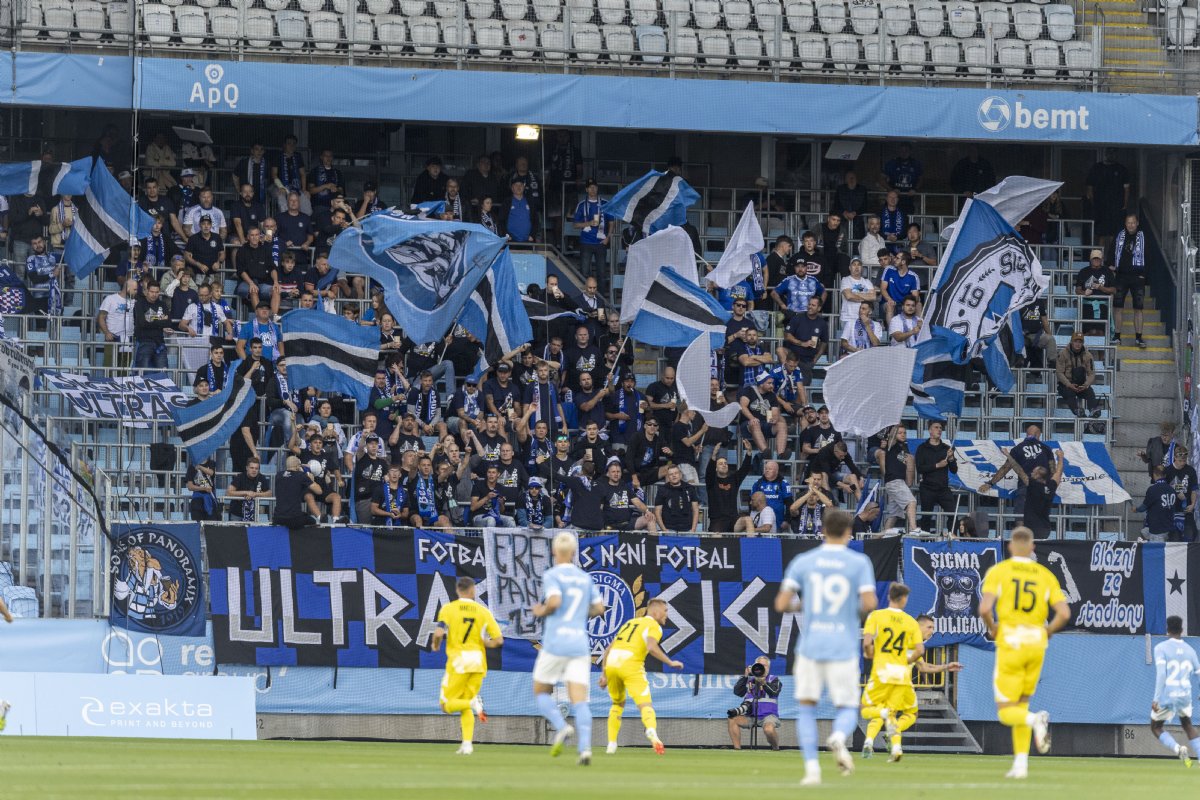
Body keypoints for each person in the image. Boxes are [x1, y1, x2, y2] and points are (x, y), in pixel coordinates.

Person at [775, 509, 878, 786]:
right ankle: (838, 736)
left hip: (810, 646)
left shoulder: (804, 560)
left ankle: (812, 771)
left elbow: (782, 603)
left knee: (806, 708)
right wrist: (848, 609)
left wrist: (805, 606)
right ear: (849, 532)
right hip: (842, 645)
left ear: (822, 530)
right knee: (847, 706)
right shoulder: (859, 562)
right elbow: (870, 603)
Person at [978, 526, 1071, 780]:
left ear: (1010, 546)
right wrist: (1048, 631)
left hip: (1011, 642)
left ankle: (1035, 720)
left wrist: (993, 627)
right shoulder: (1044, 574)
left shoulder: (1000, 571)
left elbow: (984, 609)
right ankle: (1020, 765)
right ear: (1032, 547)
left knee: (1006, 711)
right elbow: (1064, 613)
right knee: (1021, 704)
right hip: (1036, 644)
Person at [531, 532, 605, 765]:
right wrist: (581, 612)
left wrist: (540, 611)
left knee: (541, 691)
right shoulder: (585, 578)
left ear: (554, 551)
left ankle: (561, 726)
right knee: (580, 700)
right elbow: (600, 608)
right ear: (573, 552)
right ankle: (585, 750)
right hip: (579, 644)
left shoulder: (552, 575)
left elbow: (554, 602)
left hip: (555, 642)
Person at [862, 604, 963, 760]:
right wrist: (946, 667)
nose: (932, 631)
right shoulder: (912, 642)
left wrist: (945, 666)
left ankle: (869, 741)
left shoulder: (902, 637)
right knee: (909, 713)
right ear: (918, 626)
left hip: (882, 678)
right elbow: (922, 666)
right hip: (901, 683)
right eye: (929, 627)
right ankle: (894, 737)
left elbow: (923, 666)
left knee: (881, 711)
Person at [599, 597, 683, 755]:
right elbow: (651, 647)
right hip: (631, 665)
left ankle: (611, 744)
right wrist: (670, 662)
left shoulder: (630, 623)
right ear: (656, 612)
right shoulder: (654, 626)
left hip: (612, 664)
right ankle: (651, 730)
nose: (666, 615)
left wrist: (604, 674)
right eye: (665, 611)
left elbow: (609, 648)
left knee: (617, 704)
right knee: (645, 706)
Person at [431, 576, 504, 756]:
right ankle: (467, 744)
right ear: (473, 590)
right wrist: (485, 643)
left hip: (459, 661)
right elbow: (498, 640)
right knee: (464, 704)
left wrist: (435, 644)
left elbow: (439, 632)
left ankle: (472, 703)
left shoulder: (449, 609)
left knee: (446, 705)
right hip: (478, 661)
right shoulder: (483, 611)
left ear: (458, 590)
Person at [860, 583, 924, 762]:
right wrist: (907, 661)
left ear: (889, 596)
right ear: (904, 599)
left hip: (882, 672)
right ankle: (896, 748)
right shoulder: (911, 622)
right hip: (902, 675)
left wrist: (869, 653)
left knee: (866, 709)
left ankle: (872, 736)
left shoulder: (876, 616)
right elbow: (920, 650)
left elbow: (867, 643)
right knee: (893, 713)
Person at [1150, 615, 1200, 765]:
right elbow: (1198, 673)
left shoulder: (1160, 648)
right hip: (1185, 694)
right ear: (1182, 629)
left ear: (1167, 629)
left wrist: (1156, 698)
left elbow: (1161, 674)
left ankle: (1178, 749)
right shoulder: (1190, 650)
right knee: (1187, 725)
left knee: (1156, 726)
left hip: (1168, 695)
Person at [980, 422, 1054, 514]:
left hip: (1025, 488)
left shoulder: (1017, 449)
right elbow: (1053, 470)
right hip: (1042, 489)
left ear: (1027, 434)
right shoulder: (1046, 448)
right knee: (1040, 518)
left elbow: (1005, 468)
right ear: (1038, 434)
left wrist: (990, 483)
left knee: (1020, 518)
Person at [727, 655, 783, 751]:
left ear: (768, 668)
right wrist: (745, 676)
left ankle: (775, 748)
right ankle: (737, 749)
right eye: (759, 665)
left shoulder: (774, 679)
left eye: (764, 665)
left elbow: (774, 692)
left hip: (768, 716)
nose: (762, 667)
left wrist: (763, 683)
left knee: (768, 729)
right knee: (732, 719)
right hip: (750, 715)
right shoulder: (749, 679)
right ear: (754, 666)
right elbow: (737, 692)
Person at [1110, 212, 1148, 348]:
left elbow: (1149, 256)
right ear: (1125, 224)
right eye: (1128, 223)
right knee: (1118, 307)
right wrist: (1111, 266)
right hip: (1121, 276)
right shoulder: (1120, 235)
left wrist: (1145, 275)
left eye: (1133, 222)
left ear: (1137, 223)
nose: (1131, 225)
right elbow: (1112, 250)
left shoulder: (1143, 236)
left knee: (1138, 308)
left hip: (1137, 277)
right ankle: (1117, 336)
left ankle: (1139, 337)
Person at [915, 421, 957, 532]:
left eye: (941, 428)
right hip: (927, 488)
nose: (939, 430)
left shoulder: (947, 448)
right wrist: (937, 465)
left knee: (953, 515)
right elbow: (920, 468)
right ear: (930, 430)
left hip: (943, 488)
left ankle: (952, 537)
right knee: (926, 517)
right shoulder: (922, 448)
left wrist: (951, 458)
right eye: (936, 427)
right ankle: (924, 540)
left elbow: (954, 470)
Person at [1086, 148, 1130, 251]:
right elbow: (1089, 187)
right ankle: (1099, 257)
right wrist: (1093, 203)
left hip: (1116, 207)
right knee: (1101, 234)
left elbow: (1127, 188)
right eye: (1109, 153)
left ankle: (1111, 257)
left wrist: (1125, 205)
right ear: (1105, 154)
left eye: (1113, 153)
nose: (1111, 155)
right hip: (1100, 207)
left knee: (1113, 235)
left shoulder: (1121, 169)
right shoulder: (1097, 168)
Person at [877, 426, 919, 534]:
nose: (903, 434)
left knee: (894, 516)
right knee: (911, 502)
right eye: (900, 433)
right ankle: (914, 529)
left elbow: (907, 464)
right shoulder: (891, 445)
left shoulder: (903, 448)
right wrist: (896, 423)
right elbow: (892, 435)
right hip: (895, 481)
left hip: (898, 482)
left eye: (904, 432)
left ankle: (880, 538)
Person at [1056, 332, 1102, 425]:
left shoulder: (1088, 355)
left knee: (1090, 392)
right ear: (1071, 342)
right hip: (1066, 384)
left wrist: (1086, 384)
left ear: (1082, 343)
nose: (1078, 344)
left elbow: (1091, 373)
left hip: (1081, 384)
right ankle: (1077, 410)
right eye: (1075, 341)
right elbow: (1059, 373)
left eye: (1080, 342)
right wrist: (1069, 384)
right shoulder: (1062, 353)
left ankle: (1093, 409)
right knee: (1069, 393)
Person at [1022, 447, 1064, 539]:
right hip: (1045, 528)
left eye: (1033, 472)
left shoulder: (1033, 485)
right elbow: (1058, 473)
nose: (1031, 474)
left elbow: (1019, 470)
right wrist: (1060, 457)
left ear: (1037, 475)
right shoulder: (1051, 486)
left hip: (1031, 528)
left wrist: (1008, 455)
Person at [1074, 248, 1117, 337]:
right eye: (1094, 258)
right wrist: (1084, 293)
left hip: (1102, 305)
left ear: (1101, 259)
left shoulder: (1107, 271)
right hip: (1087, 305)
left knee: (1101, 332)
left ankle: (1102, 346)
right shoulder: (1083, 271)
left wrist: (1101, 287)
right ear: (1091, 259)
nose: (1096, 260)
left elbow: (1113, 290)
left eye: (1098, 259)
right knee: (1089, 332)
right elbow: (1077, 290)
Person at [272, 456, 322, 529]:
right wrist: (311, 479)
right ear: (297, 466)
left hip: (278, 518)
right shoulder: (301, 476)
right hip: (294, 518)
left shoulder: (278, 475)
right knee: (312, 521)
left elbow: (290, 479)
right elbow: (319, 491)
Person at [1139, 466, 1180, 542]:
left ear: (1154, 474)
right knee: (1144, 532)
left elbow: (1143, 508)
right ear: (1165, 475)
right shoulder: (1172, 490)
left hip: (1157, 529)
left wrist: (1135, 509)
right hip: (1169, 528)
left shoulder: (1152, 489)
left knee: (1156, 549)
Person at [1165, 445, 1198, 542]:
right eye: (1180, 461)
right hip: (1172, 509)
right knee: (1174, 537)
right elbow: (1163, 489)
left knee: (1191, 534)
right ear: (1175, 458)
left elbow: (1194, 489)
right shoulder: (1168, 471)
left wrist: (1193, 504)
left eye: (1184, 460)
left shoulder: (1190, 470)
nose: (1183, 463)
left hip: (1186, 509)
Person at [654, 465, 700, 532]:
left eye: (676, 473)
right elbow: (657, 511)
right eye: (671, 474)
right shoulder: (662, 490)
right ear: (668, 477)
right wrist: (664, 530)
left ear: (680, 475)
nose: (674, 475)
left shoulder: (690, 488)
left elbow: (695, 509)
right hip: (669, 529)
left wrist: (693, 529)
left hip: (688, 529)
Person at [226, 458, 271, 522]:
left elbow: (269, 493)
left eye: (256, 468)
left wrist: (255, 494)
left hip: (253, 514)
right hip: (237, 514)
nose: (254, 470)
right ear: (247, 468)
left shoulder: (261, 478)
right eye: (252, 468)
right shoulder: (240, 477)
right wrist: (246, 493)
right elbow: (228, 492)